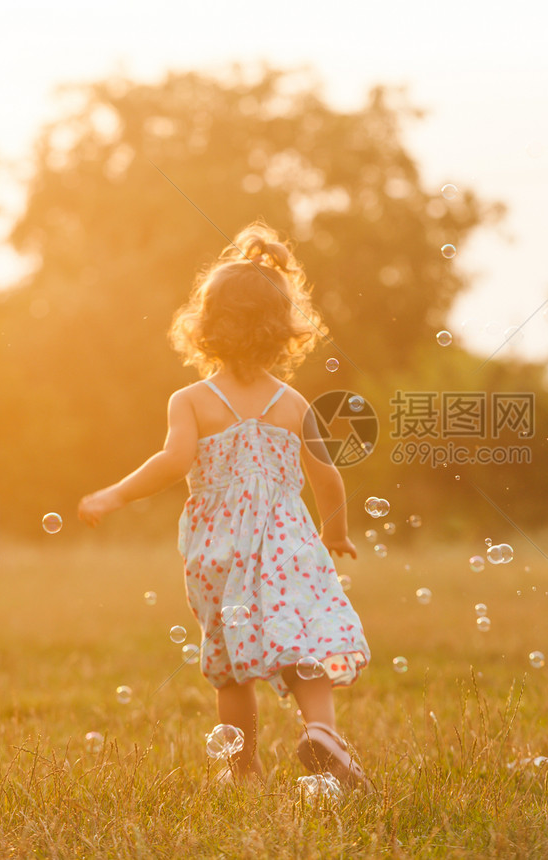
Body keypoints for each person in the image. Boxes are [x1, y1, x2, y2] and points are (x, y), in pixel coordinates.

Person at [78, 222, 371, 789]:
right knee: (304, 638)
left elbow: (171, 463)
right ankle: (322, 730)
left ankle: (244, 768)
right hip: (288, 542)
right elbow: (328, 479)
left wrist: (114, 493)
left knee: (231, 664)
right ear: (284, 331)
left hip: (219, 549)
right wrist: (334, 533)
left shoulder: (191, 401)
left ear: (204, 326)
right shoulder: (294, 403)